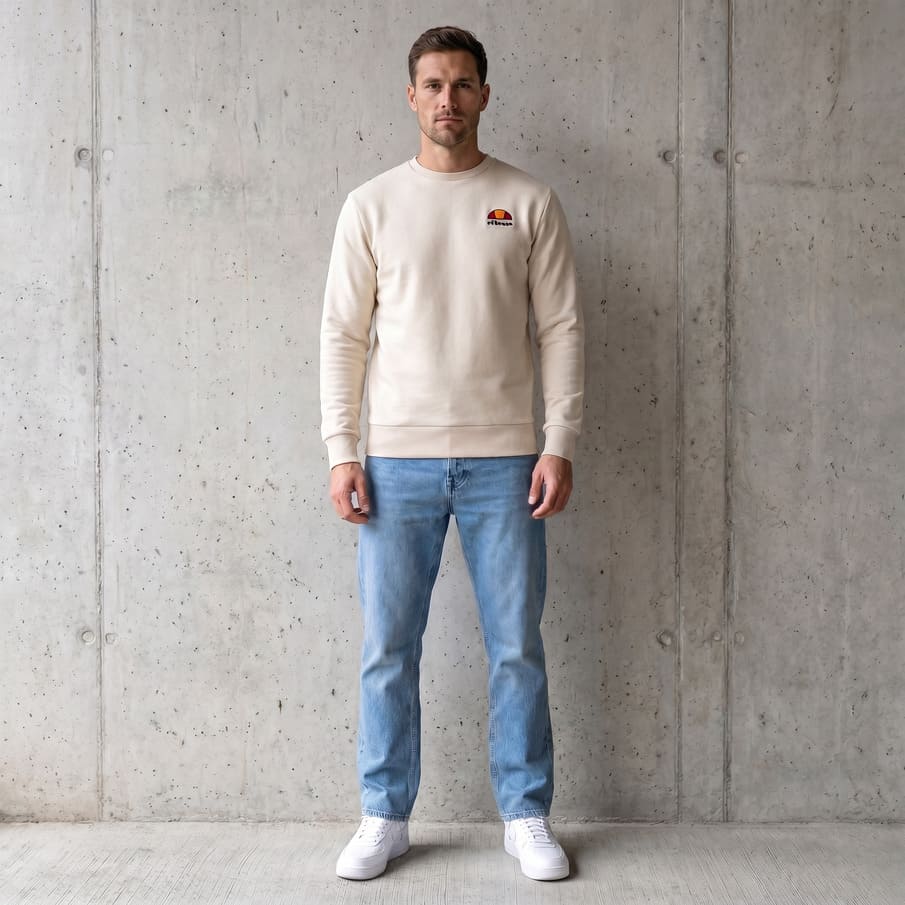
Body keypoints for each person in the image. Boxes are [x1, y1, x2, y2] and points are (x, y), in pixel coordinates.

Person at [319, 25, 585, 882]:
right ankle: (384, 814)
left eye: (462, 84)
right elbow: (342, 336)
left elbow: (560, 328)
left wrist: (558, 440)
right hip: (394, 463)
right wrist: (342, 450)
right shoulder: (370, 205)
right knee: (387, 649)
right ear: (411, 96)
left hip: (506, 462)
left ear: (484, 95)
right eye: (432, 85)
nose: (447, 100)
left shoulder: (526, 201)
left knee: (516, 647)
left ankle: (525, 814)